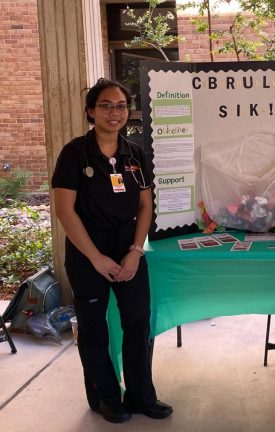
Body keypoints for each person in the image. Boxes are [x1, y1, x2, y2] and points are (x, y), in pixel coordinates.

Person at [52, 78, 173, 423]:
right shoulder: (75, 154)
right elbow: (65, 211)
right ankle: (106, 397)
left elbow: (146, 207)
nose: (114, 112)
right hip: (87, 250)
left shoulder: (134, 154)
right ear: (91, 111)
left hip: (128, 247)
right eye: (105, 105)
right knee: (94, 328)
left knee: (137, 322)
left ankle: (141, 396)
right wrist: (95, 257)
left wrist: (135, 251)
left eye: (120, 105)